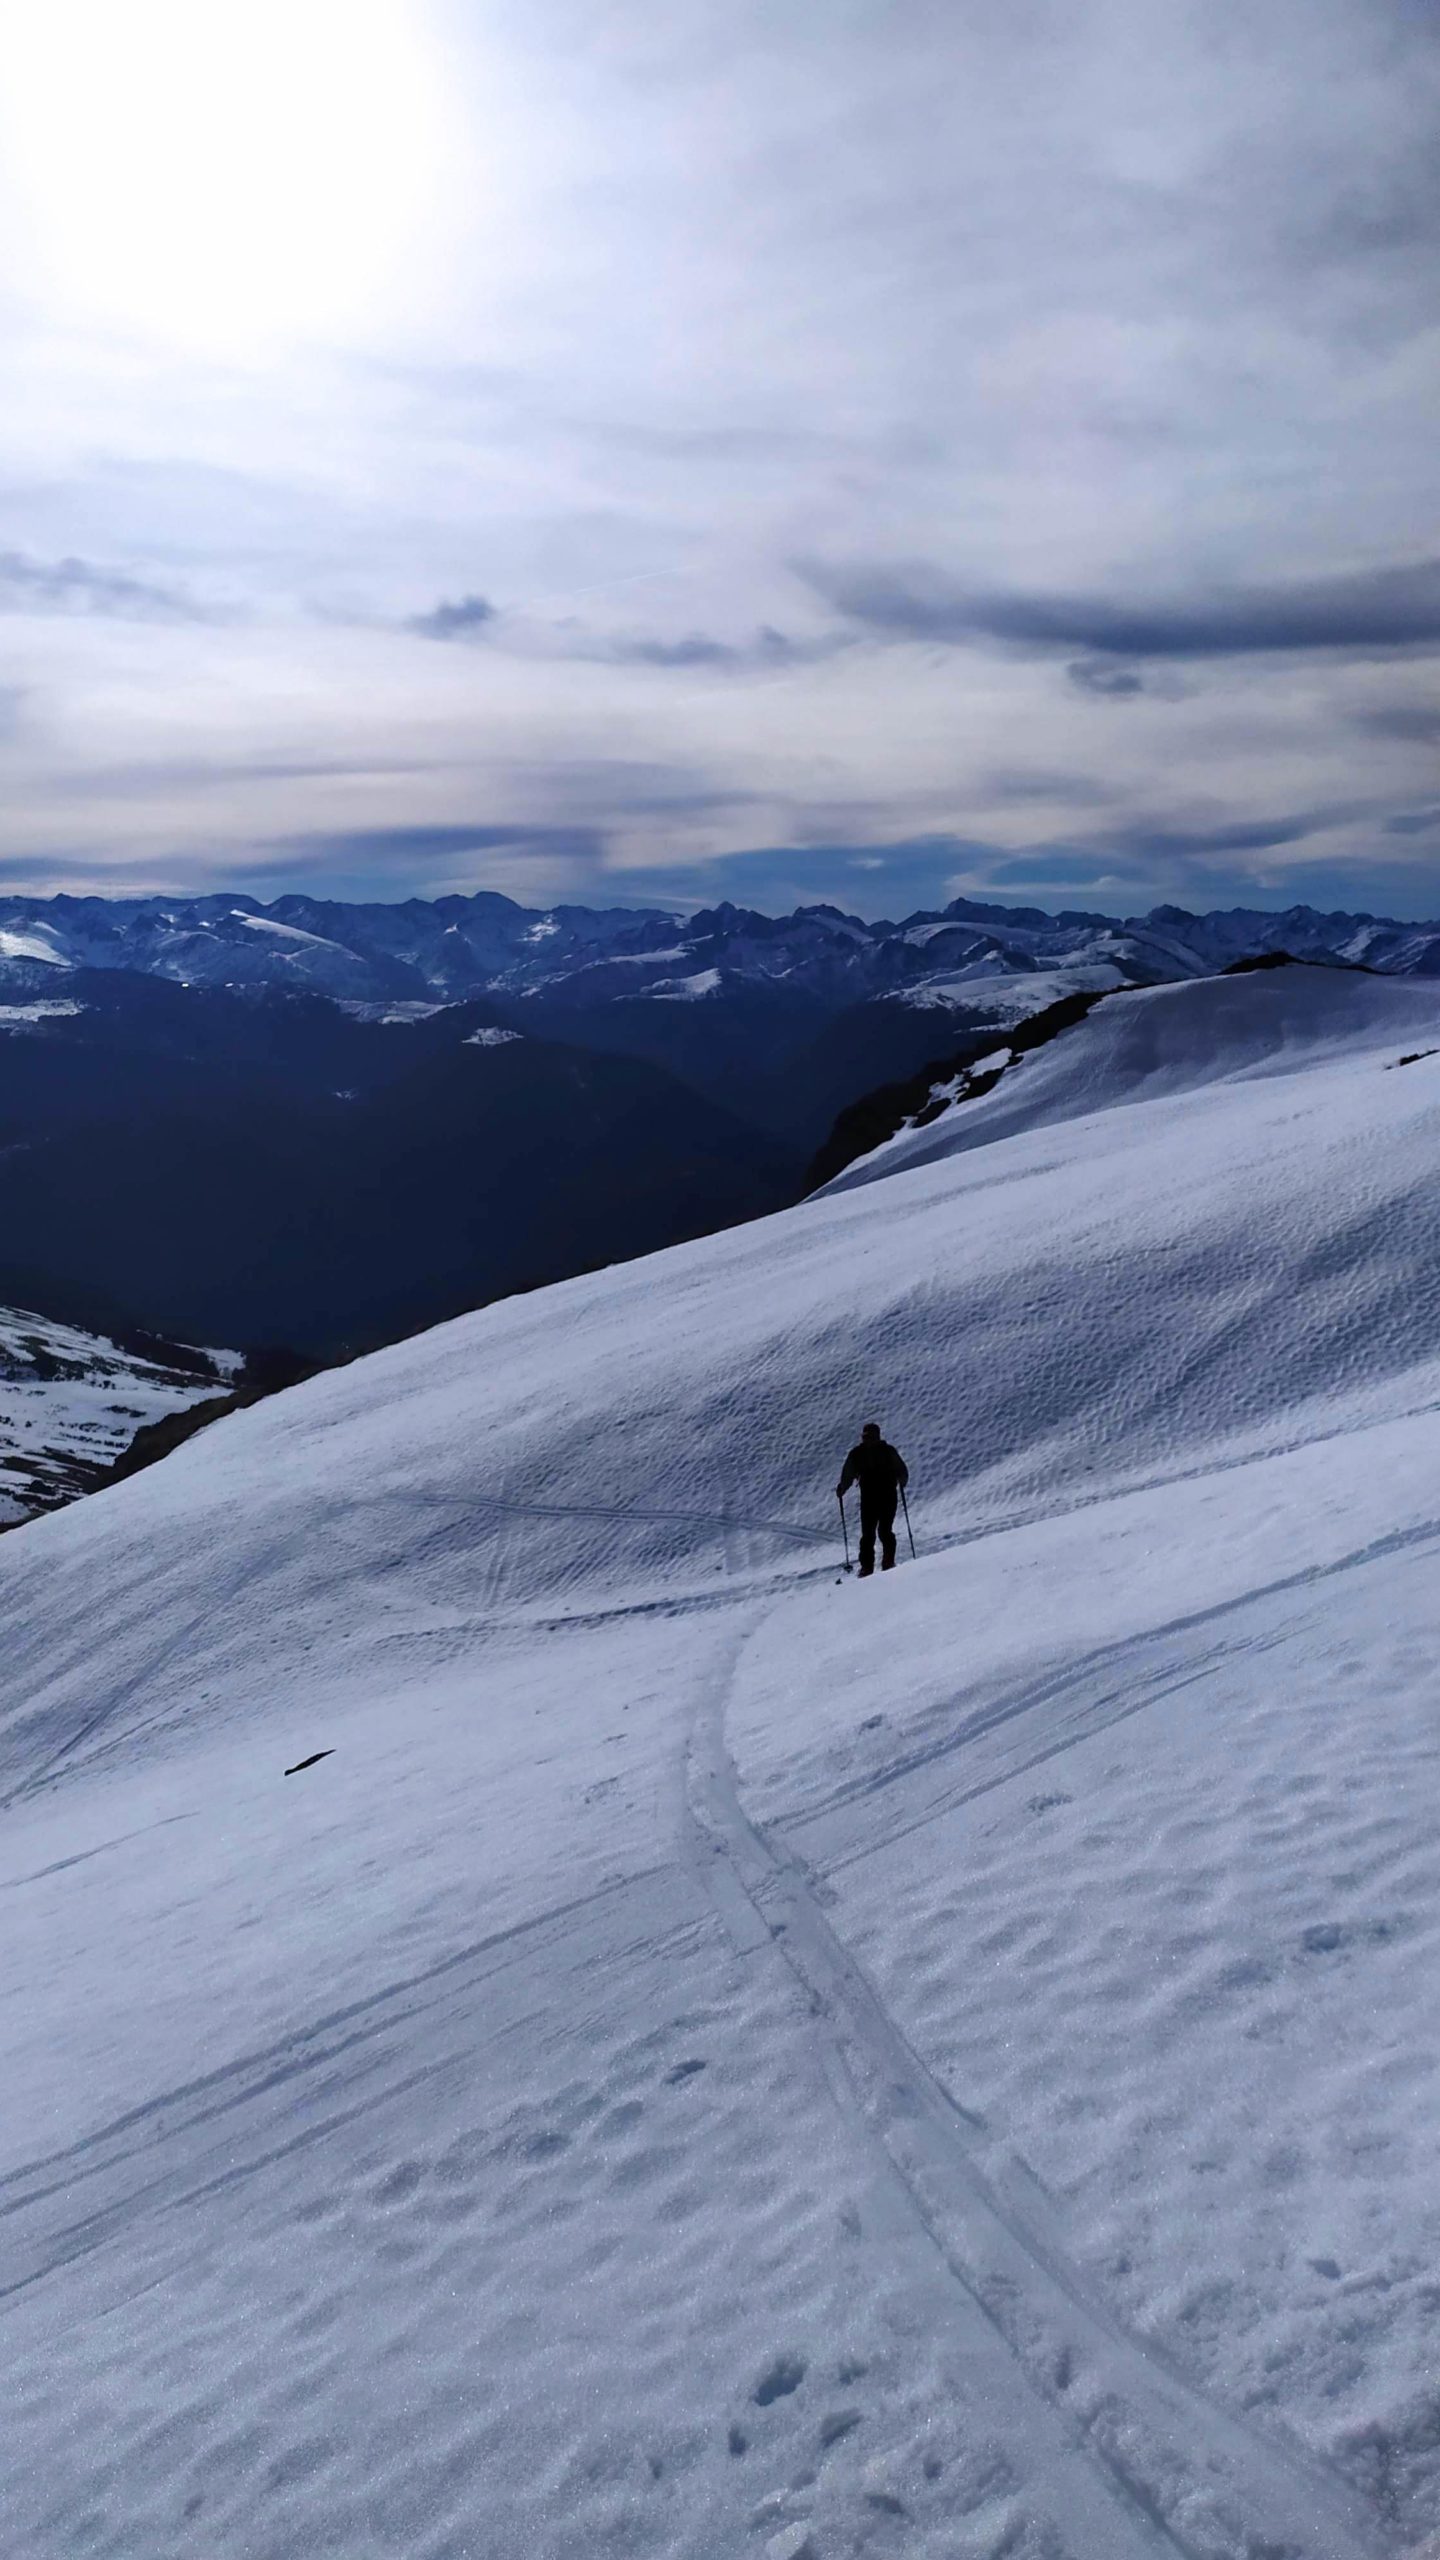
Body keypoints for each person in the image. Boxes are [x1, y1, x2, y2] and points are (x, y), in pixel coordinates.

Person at [836, 1422, 909, 1576]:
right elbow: (848, 1473)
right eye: (866, 1437)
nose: (868, 1440)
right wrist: (843, 1487)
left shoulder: (882, 1451)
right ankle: (870, 1567)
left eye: (870, 1437)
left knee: (882, 1531)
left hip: (885, 1497)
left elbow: (901, 1469)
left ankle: (883, 1564)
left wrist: (843, 1487)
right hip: (873, 1498)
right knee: (870, 1534)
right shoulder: (861, 1453)